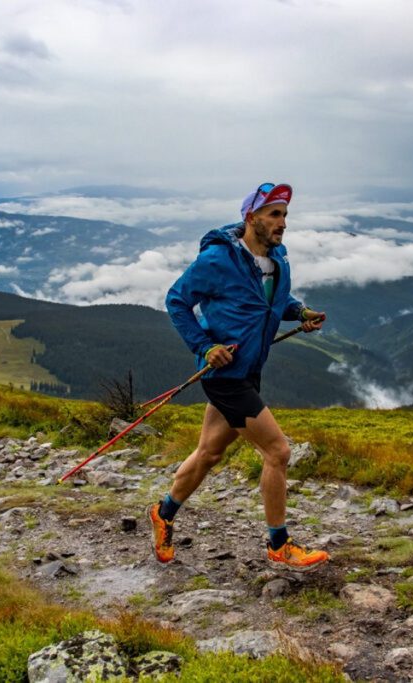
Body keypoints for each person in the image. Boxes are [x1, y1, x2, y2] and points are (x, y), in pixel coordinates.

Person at [149, 182, 329, 572]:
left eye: (284, 215)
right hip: (225, 374)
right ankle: (279, 545)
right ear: (251, 218)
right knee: (278, 452)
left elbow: (273, 304)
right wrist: (203, 346)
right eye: (273, 214)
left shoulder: (278, 259)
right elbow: (176, 300)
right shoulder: (218, 259)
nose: (282, 223)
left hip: (249, 371)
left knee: (210, 452)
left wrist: (301, 314)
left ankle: (163, 514)